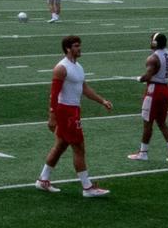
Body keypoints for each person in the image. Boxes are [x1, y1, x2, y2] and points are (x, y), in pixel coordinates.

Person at [37, 35, 114, 196]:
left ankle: (43, 180)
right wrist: (52, 116)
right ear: (68, 48)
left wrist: (102, 101)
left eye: (79, 45)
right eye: (76, 46)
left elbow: (84, 89)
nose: (80, 48)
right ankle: (87, 187)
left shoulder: (78, 67)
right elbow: (54, 94)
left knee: (60, 146)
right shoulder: (61, 68)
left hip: (74, 111)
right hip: (66, 112)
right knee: (79, 148)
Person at [128, 32, 168, 163]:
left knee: (147, 123)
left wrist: (140, 78)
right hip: (166, 89)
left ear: (155, 43)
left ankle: (143, 153)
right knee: (162, 122)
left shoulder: (153, 58)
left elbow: (147, 76)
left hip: (154, 91)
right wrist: (163, 75)